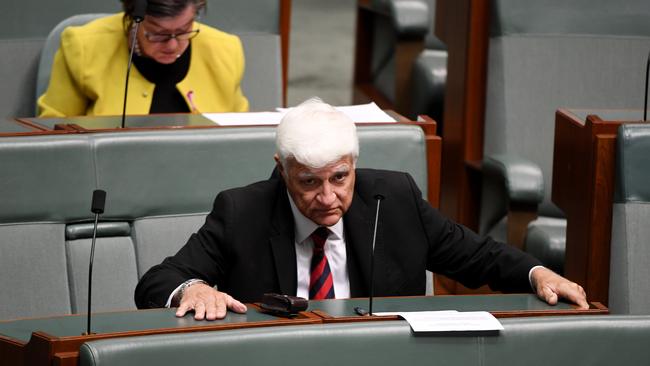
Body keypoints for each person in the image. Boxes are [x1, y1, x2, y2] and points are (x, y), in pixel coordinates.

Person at [134, 98, 588, 320]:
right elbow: (156, 281)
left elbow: (478, 256)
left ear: (355, 164)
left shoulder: (394, 198)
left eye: (340, 178)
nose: (328, 197)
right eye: (308, 182)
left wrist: (539, 274)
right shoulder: (242, 210)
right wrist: (192, 288)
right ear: (283, 169)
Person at [37, 0, 248, 117]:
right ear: (132, 18)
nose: (173, 45)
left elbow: (242, 131)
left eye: (184, 30)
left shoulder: (225, 50)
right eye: (158, 34)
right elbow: (54, 129)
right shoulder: (84, 46)